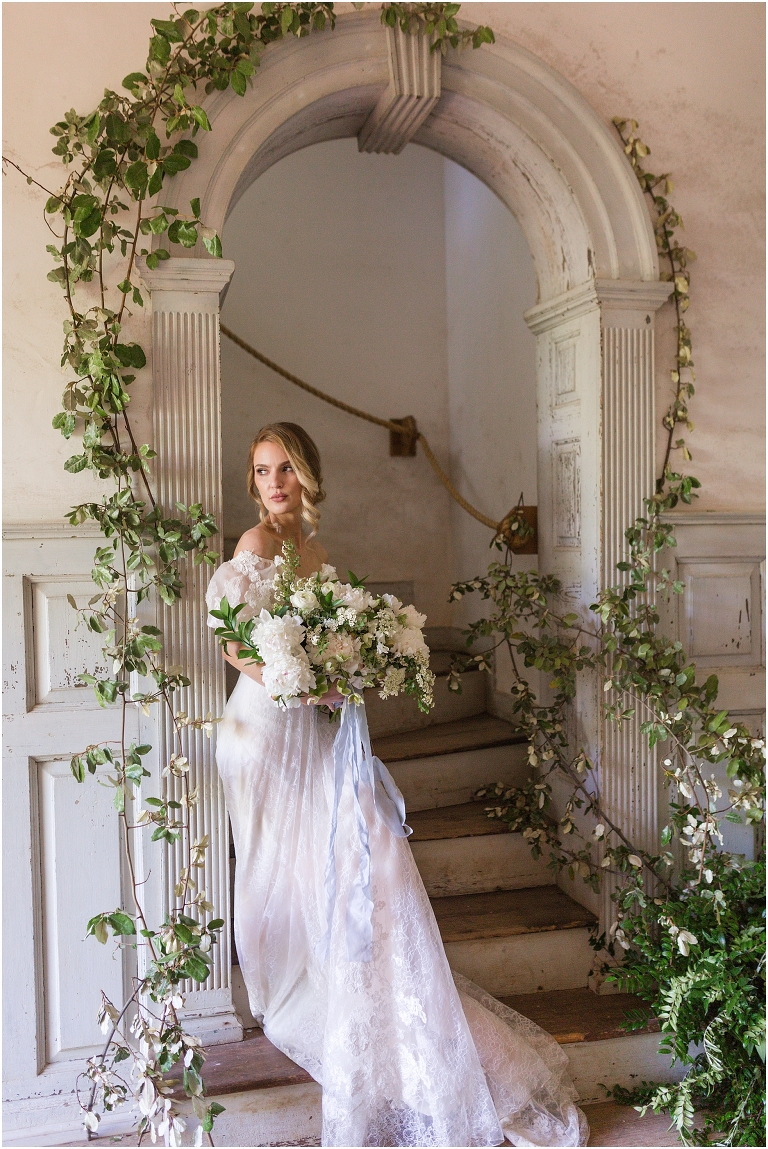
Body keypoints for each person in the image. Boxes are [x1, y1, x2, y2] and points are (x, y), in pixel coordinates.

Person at [206, 421, 587, 1147]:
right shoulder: (252, 548)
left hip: (311, 728)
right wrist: (298, 678)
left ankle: (336, 980)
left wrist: (339, 673)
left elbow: (333, 638)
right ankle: (278, 985)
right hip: (260, 732)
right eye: (261, 471)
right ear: (252, 482)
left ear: (306, 474)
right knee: (268, 866)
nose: (273, 481)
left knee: (329, 860)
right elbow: (232, 643)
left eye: (284, 467)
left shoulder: (317, 553)